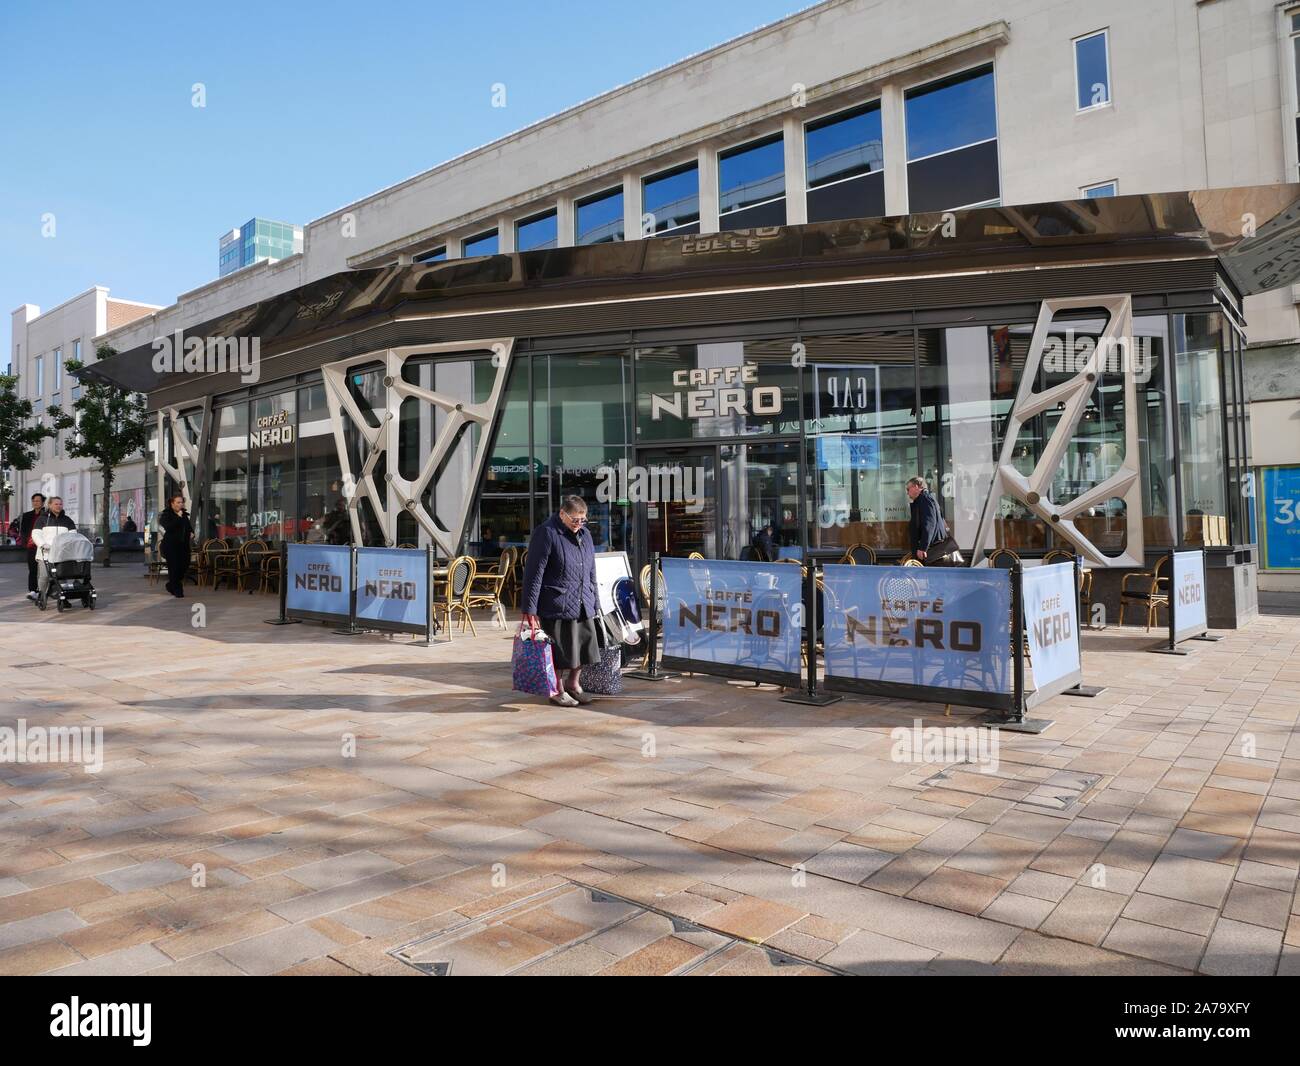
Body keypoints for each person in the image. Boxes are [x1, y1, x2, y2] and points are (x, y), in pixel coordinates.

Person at [520, 495, 604, 707]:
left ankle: (573, 685)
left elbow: (591, 570)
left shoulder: (585, 535)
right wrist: (530, 608)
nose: (578, 524)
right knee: (558, 651)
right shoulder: (546, 533)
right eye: (574, 519)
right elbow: (534, 573)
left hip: (583, 600)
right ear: (562, 514)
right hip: (555, 602)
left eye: (582, 520)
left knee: (584, 648)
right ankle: (556, 689)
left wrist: (595, 601)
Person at [8, 493, 47, 600]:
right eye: (34, 501)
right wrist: (22, 539)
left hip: (44, 546)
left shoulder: (47, 515)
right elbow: (16, 527)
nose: (35, 503)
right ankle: (33, 590)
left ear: (43, 502)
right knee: (33, 569)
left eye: (38, 501)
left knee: (45, 570)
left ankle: (45, 590)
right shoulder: (26, 515)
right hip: (31, 546)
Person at [157, 494, 194, 598]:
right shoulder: (166, 515)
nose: (180, 504)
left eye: (182, 502)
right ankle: (178, 590)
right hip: (171, 546)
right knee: (174, 568)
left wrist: (192, 532)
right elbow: (169, 527)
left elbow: (188, 527)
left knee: (184, 566)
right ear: (172, 503)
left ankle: (170, 584)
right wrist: (178, 517)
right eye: (178, 502)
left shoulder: (184, 515)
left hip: (184, 545)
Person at [906, 475, 948, 563]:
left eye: (908, 489)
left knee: (930, 575)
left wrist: (923, 547)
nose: (907, 493)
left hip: (930, 551)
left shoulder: (925, 499)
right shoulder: (925, 498)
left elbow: (929, 524)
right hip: (930, 549)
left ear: (916, 486)